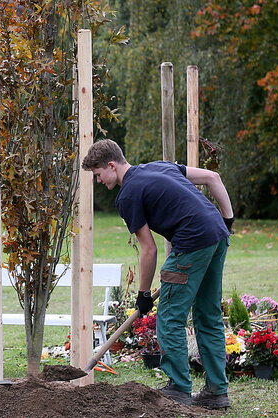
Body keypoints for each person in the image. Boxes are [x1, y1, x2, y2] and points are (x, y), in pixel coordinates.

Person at [82, 139, 234, 409]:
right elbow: (213, 177)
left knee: (169, 318)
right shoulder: (159, 167)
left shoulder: (127, 195)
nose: (98, 181)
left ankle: (178, 388)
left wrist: (142, 295)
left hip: (191, 244)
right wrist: (228, 219)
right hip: (217, 236)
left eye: (98, 174)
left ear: (112, 165)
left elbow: (149, 249)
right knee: (208, 315)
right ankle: (216, 391)